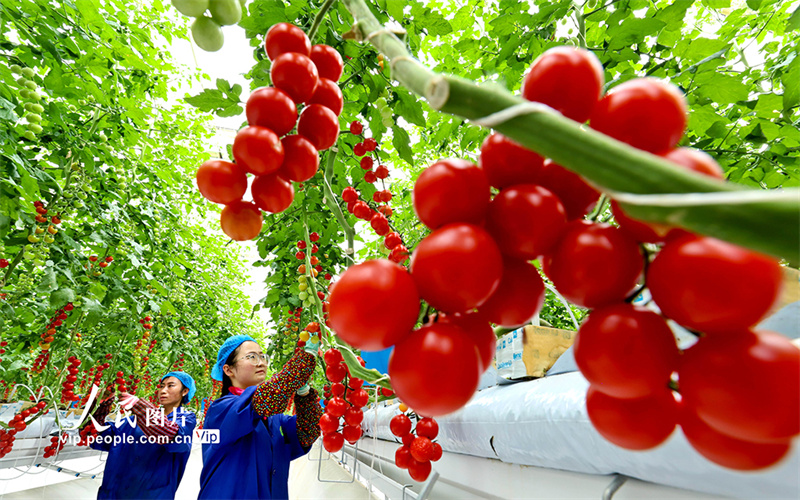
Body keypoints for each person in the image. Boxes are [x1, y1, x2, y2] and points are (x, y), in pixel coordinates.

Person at [199, 334, 322, 499]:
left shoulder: (274, 419)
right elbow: (267, 398)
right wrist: (305, 359)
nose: (262, 362)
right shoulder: (219, 410)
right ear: (228, 369)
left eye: (263, 356)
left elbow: (308, 432)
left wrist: (304, 392)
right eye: (252, 357)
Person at [87, 372, 198, 499]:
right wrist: (101, 404)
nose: (163, 390)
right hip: (114, 493)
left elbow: (169, 434)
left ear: (184, 391)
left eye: (170, 386)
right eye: (161, 386)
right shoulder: (132, 421)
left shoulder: (186, 420)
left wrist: (140, 407)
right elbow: (95, 435)